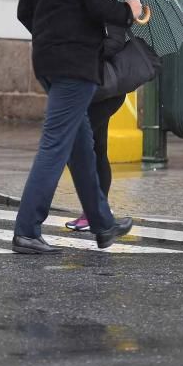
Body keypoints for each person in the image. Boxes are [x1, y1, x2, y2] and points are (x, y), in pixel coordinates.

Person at [12, 0, 141, 254]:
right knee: (55, 145)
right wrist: (129, 10)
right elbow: (98, 5)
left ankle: (102, 224)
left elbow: (25, 10)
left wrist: (50, 34)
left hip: (47, 60)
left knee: (81, 146)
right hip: (77, 62)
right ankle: (26, 230)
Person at [64, 23, 128, 232]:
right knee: (96, 148)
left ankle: (97, 212)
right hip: (90, 86)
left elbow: (115, 42)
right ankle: (96, 212)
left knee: (77, 146)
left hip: (105, 89)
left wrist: (83, 50)